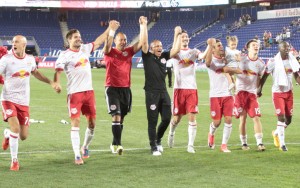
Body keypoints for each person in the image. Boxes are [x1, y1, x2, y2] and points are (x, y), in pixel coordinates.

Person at [54, 20, 120, 165]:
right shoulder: (64, 55)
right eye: (76, 37)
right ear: (69, 40)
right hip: (75, 94)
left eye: (79, 36)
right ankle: (77, 154)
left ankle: (85, 147)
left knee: (92, 124)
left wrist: (110, 28)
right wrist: (57, 82)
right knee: (75, 122)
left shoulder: (84, 49)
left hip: (89, 93)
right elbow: (58, 70)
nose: (79, 38)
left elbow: (98, 41)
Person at [0, 35, 58, 171]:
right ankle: (14, 160)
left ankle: (8, 134)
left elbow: (35, 72)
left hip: (24, 102)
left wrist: (51, 82)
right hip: (8, 99)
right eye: (13, 42)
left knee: (23, 136)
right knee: (16, 128)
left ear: (24, 45)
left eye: (17, 42)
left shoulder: (30, 60)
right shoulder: (6, 59)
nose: (13, 44)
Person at [103, 16, 147, 155]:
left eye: (124, 40)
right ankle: (119, 145)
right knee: (116, 115)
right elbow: (106, 46)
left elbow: (142, 42)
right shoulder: (110, 52)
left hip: (126, 89)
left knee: (121, 118)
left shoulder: (129, 52)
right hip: (112, 89)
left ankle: (114, 143)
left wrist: (143, 25)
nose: (123, 41)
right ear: (115, 41)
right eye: (120, 39)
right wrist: (111, 30)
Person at [141, 25, 181, 156]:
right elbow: (144, 42)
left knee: (166, 118)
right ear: (151, 49)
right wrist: (144, 26)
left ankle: (158, 139)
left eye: (160, 46)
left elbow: (176, 49)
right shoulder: (147, 56)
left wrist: (177, 34)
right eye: (157, 46)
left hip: (163, 93)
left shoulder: (164, 56)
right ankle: (153, 146)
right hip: (151, 93)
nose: (159, 48)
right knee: (152, 121)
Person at [167, 30, 207, 153]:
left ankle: (190, 145)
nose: (185, 38)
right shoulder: (175, 52)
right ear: (179, 39)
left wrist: (209, 46)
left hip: (191, 89)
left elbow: (202, 56)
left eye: (186, 36)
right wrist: (176, 34)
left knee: (192, 117)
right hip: (179, 89)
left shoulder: (194, 51)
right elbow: (171, 52)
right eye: (182, 36)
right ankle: (171, 132)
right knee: (177, 119)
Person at [258, 41, 300, 152]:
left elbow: (296, 75)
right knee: (281, 116)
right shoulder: (273, 62)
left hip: (289, 92)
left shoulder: (292, 60)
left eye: (288, 47)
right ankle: (282, 144)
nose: (287, 49)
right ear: (279, 48)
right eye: (285, 47)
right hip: (277, 93)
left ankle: (275, 132)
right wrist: (259, 89)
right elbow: (265, 76)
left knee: (288, 120)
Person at [205, 38, 242, 152]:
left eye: (221, 45)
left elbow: (239, 70)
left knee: (228, 119)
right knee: (217, 122)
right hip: (215, 95)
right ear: (213, 49)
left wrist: (231, 67)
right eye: (218, 46)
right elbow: (207, 63)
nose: (221, 47)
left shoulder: (227, 60)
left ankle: (224, 145)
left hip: (227, 94)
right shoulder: (212, 61)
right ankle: (211, 133)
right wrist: (210, 46)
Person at [234, 39, 266, 151]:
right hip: (240, 93)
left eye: (257, 45)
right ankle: (244, 144)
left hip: (252, 94)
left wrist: (258, 90)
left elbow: (259, 78)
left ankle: (260, 143)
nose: (256, 46)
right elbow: (230, 70)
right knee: (243, 119)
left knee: (256, 117)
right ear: (248, 48)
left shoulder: (261, 64)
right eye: (253, 45)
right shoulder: (241, 59)